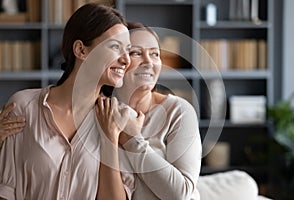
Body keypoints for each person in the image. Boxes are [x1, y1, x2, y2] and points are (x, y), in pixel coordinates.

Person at [0, 4, 143, 200]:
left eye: (128, 50)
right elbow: (6, 192)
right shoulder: (23, 107)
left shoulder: (122, 118)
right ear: (81, 50)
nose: (126, 60)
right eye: (115, 47)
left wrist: (110, 138)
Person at [101, 22, 202, 199]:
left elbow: (181, 194)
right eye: (136, 53)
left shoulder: (179, 111)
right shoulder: (103, 113)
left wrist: (131, 139)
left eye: (155, 54)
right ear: (119, 60)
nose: (148, 62)